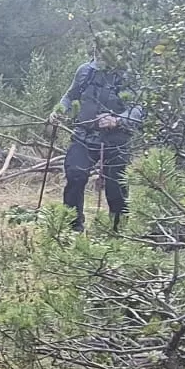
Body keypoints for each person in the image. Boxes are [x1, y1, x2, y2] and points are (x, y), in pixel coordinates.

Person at [50, 40, 143, 232]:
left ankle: (118, 231)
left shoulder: (128, 75)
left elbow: (138, 109)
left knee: (116, 186)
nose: (99, 55)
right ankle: (72, 229)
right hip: (84, 135)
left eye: (105, 51)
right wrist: (59, 110)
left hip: (117, 140)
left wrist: (116, 120)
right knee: (75, 174)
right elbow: (70, 95)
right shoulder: (85, 71)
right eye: (97, 50)